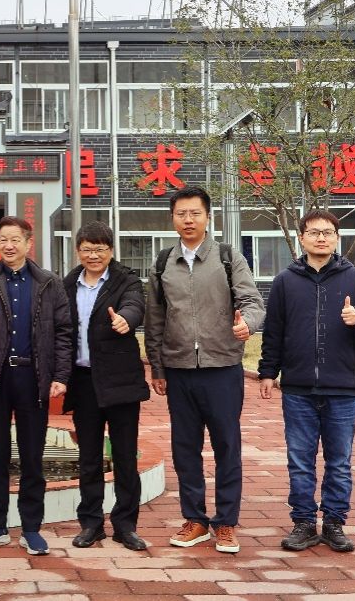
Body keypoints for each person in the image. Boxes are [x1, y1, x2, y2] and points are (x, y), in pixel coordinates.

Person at [143, 186, 264, 555]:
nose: (188, 220)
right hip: (179, 369)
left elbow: (252, 301)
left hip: (222, 367)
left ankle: (226, 523)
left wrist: (248, 324)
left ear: (208, 217)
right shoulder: (163, 263)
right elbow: (155, 318)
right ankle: (195, 519)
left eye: (195, 213)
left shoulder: (227, 257)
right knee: (185, 448)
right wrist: (157, 365)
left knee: (227, 446)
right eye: (181, 214)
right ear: (172, 218)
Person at [257, 209, 355, 554]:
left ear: (336, 238)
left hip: (342, 388)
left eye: (328, 232)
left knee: (339, 462)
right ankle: (303, 522)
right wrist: (268, 371)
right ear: (302, 238)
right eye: (314, 232)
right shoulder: (285, 281)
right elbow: (274, 332)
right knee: (300, 460)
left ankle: (333, 523)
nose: (321, 238)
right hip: (297, 388)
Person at [0, 216, 72, 556]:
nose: (8, 246)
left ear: (28, 243)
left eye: (14, 240)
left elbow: (64, 332)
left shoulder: (49, 283)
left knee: (32, 457)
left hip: (33, 378)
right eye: (2, 240)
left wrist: (60, 376)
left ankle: (31, 528)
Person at [61, 220, 150, 552]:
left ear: (111, 251)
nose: (93, 255)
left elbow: (135, 305)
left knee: (125, 457)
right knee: (89, 457)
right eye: (87, 249)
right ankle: (91, 523)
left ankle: (125, 526)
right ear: (78, 251)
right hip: (83, 381)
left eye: (100, 249)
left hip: (120, 381)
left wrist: (126, 318)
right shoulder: (68, 284)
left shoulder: (127, 280)